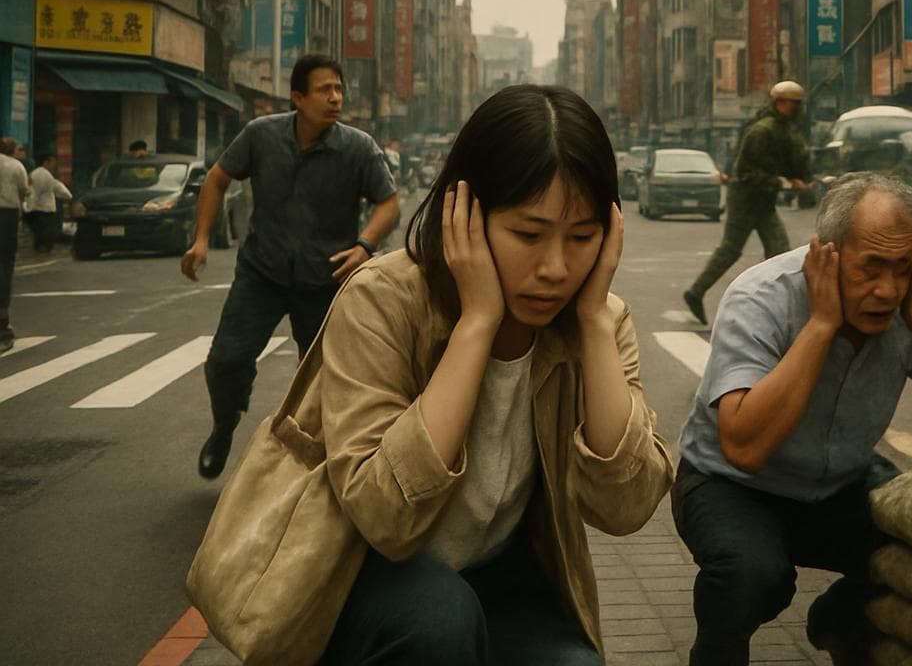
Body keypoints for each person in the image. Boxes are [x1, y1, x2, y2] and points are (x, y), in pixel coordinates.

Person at [197, 84, 675, 665]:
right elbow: (385, 519)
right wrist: (477, 322)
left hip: (502, 575)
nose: (556, 268)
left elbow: (625, 509)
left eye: (582, 237)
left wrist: (596, 322)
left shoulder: (597, 318)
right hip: (361, 572)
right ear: (464, 212)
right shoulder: (383, 301)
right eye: (528, 234)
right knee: (439, 619)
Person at [673, 172, 912, 665]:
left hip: (840, 482)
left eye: (902, 267)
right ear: (828, 253)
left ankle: (839, 624)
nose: (888, 290)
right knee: (752, 577)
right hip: (732, 485)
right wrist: (821, 326)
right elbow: (744, 448)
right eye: (871, 268)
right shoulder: (762, 296)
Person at [181, 54, 400, 480]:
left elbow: (388, 202)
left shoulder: (358, 147)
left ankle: (311, 468)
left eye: (338, 88)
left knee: (317, 378)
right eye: (324, 89)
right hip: (262, 272)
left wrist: (364, 245)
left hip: (326, 279)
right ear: (297, 97)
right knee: (226, 359)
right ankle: (224, 425)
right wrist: (201, 240)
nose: (335, 97)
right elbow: (217, 179)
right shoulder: (260, 135)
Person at [682, 79, 813, 326]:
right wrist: (784, 183)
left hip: (763, 200)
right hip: (745, 197)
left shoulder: (786, 129)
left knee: (779, 252)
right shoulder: (762, 130)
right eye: (792, 104)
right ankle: (696, 292)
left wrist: (802, 179)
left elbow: (796, 160)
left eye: (798, 104)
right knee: (732, 249)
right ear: (779, 103)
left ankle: (776, 307)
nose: (797, 109)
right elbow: (745, 173)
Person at [0, 137, 30, 354]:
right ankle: (2, 326)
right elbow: (23, 192)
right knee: (4, 267)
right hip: (7, 216)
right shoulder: (15, 165)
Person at [24, 153, 71, 255]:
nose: (55, 165)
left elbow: (59, 189)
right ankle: (42, 251)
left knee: (45, 234)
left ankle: (42, 250)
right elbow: (35, 193)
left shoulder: (43, 174)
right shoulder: (42, 175)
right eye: (53, 162)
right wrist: (29, 208)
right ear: (46, 162)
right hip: (43, 210)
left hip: (42, 210)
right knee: (45, 234)